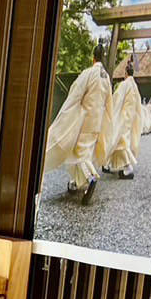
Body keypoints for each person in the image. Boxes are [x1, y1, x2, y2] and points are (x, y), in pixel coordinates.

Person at [42, 47, 110, 203]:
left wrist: (68, 112)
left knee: (79, 152)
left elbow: (76, 92)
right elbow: (109, 103)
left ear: (93, 58)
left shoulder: (89, 73)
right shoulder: (106, 78)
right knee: (82, 153)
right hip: (97, 122)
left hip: (85, 120)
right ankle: (74, 183)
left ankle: (90, 177)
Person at [101, 61, 142, 179]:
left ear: (125, 73)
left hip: (123, 117)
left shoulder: (125, 84)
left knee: (119, 140)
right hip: (131, 117)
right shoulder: (134, 86)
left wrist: (110, 110)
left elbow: (117, 98)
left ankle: (128, 168)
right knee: (118, 140)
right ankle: (109, 164)